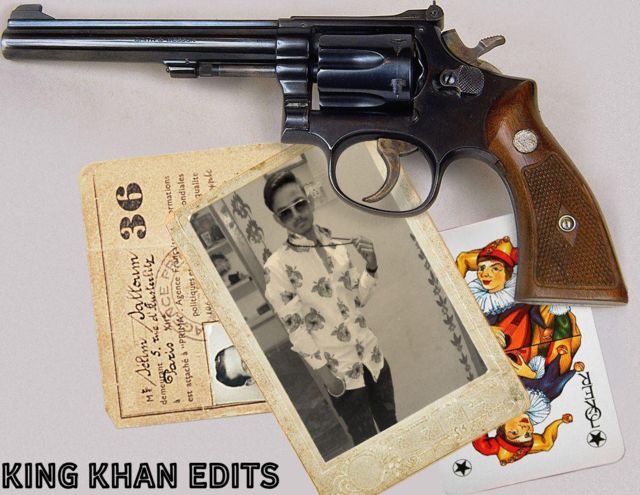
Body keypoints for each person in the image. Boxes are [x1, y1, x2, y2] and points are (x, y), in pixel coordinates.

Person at [262, 170, 397, 446]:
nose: (296, 215)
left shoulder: (337, 245)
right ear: (278, 220)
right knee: (367, 446)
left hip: (373, 359)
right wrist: (328, 378)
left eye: (299, 204)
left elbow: (357, 300)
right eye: (286, 213)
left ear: (309, 201)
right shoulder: (277, 267)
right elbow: (296, 329)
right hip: (341, 375)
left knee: (394, 431)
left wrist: (371, 266)